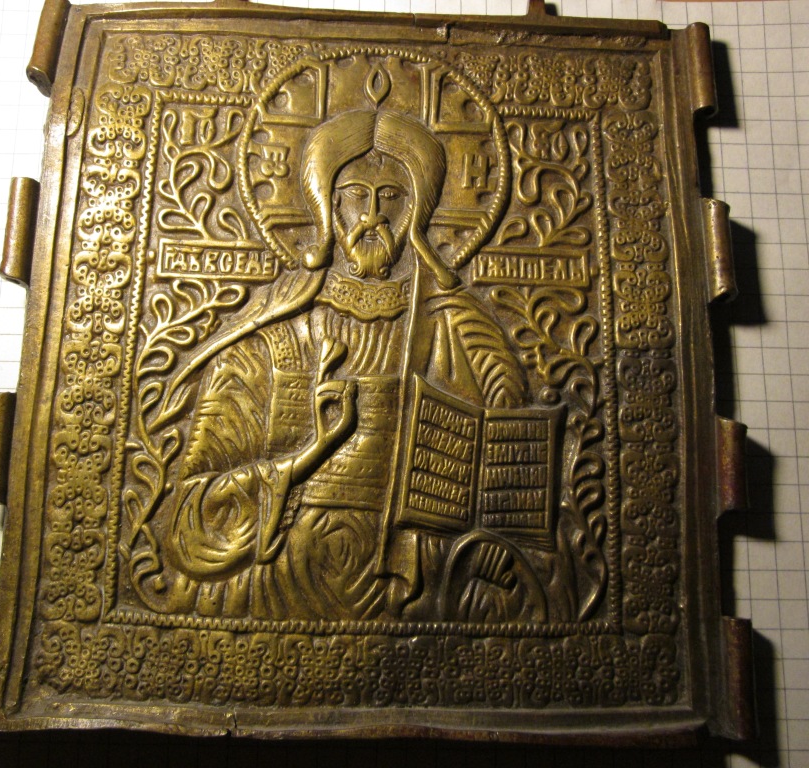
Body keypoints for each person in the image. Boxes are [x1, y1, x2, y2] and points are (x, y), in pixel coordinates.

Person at [153, 109, 561, 623]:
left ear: (418, 210)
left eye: (391, 196)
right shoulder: (273, 336)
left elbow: (506, 480)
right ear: (327, 206)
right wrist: (307, 457)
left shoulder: (456, 330)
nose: (373, 214)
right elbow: (190, 520)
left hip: (420, 594)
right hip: (278, 591)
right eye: (354, 195)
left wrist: (489, 540)